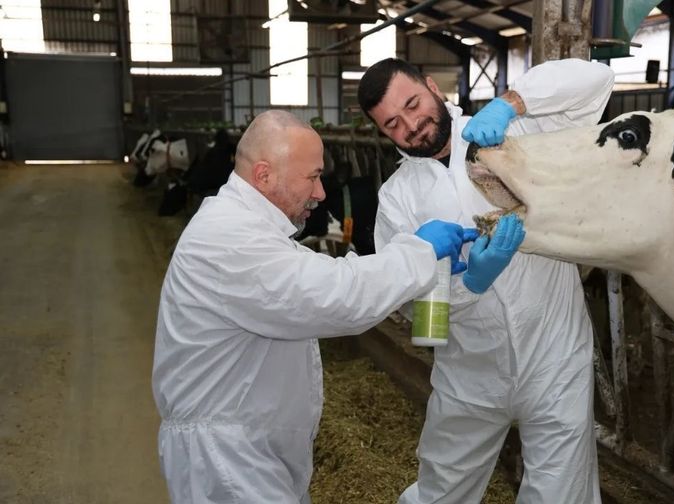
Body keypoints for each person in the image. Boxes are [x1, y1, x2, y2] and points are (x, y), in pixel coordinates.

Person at [151, 110, 478, 504]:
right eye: (313, 177)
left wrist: (417, 268)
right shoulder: (230, 241)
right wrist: (420, 253)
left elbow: (326, 273)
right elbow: (336, 296)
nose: (322, 193)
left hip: (251, 445)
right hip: (229, 460)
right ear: (264, 175)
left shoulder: (247, 228)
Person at [358, 57, 614, 504]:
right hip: (468, 372)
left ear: (433, 88)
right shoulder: (397, 200)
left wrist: (510, 104)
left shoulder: (514, 133)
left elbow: (597, 80)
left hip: (552, 354)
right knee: (441, 493)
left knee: (561, 494)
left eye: (414, 104)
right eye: (393, 124)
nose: (412, 126)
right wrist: (469, 285)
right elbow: (417, 318)